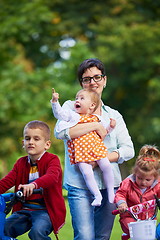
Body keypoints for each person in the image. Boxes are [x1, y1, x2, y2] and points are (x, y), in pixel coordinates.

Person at [54, 58, 135, 240]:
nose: (92, 83)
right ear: (81, 83)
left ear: (104, 80)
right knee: (84, 235)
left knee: (102, 236)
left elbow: (128, 150)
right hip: (79, 185)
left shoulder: (114, 115)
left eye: (97, 77)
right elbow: (61, 132)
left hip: (110, 185)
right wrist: (94, 126)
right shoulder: (70, 107)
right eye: (86, 79)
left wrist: (100, 159)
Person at [0, 120, 66, 240]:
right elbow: (6, 182)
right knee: (4, 229)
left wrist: (33, 185)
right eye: (27, 138)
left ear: (47, 144)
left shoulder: (52, 160)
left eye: (36, 139)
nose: (31, 142)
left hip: (46, 211)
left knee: (37, 232)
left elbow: (51, 177)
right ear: (23, 143)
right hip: (25, 209)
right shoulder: (21, 163)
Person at [51, 88, 115, 206]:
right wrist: (55, 102)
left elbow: (104, 133)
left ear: (91, 106)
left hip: (97, 149)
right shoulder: (73, 116)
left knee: (106, 166)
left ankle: (111, 192)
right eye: (76, 98)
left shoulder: (97, 118)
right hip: (80, 152)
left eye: (81, 98)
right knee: (87, 173)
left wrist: (111, 127)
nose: (77, 101)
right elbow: (59, 114)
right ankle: (97, 195)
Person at [114, 144, 160, 238]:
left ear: (155, 178)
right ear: (135, 173)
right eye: (139, 178)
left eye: (147, 180)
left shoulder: (157, 185)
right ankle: (128, 234)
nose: (143, 182)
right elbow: (120, 194)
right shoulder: (128, 183)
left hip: (149, 218)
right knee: (138, 234)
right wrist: (122, 204)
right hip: (129, 217)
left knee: (149, 236)